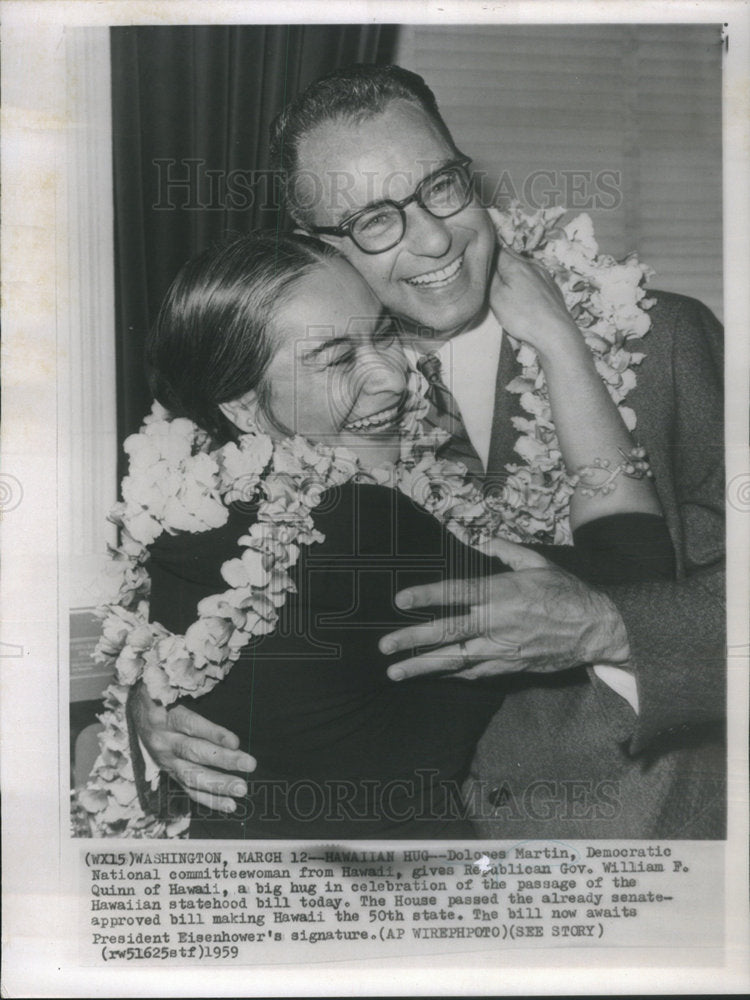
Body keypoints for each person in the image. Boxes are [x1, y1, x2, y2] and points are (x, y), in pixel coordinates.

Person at [132, 64, 725, 838]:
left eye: (442, 187)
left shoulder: (662, 340)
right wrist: (162, 703)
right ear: (314, 246)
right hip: (413, 882)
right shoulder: (286, 386)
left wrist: (613, 628)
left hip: (641, 846)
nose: (437, 237)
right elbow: (205, 598)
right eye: (375, 220)